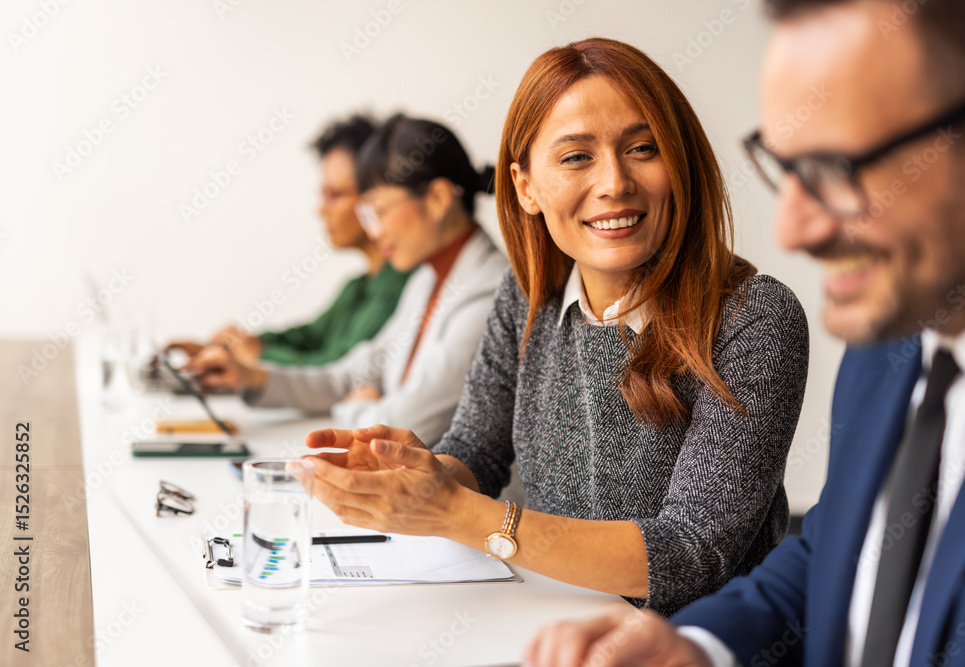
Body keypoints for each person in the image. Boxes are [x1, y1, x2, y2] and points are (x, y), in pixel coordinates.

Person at [522, 1, 965, 666]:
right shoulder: (889, 350)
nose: (795, 230)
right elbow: (833, 551)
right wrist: (698, 645)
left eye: (841, 164)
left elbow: (690, 548)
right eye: (790, 166)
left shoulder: (760, 318)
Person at [298, 38, 809, 615]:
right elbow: (476, 452)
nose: (615, 182)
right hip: (547, 624)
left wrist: (458, 512)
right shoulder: (529, 296)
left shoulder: (755, 318)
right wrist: (423, 475)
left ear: (680, 163)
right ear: (526, 187)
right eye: (576, 157)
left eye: (643, 148)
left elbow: (689, 556)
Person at [186, 114, 508, 444]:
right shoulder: (426, 281)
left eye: (379, 211)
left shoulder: (492, 294)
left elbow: (404, 428)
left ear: (438, 198)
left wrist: (357, 409)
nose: (374, 230)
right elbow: (351, 375)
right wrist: (252, 377)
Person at [169, 114, 412, 366]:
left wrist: (258, 354)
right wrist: (234, 348)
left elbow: (336, 373)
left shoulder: (400, 288)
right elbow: (309, 338)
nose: (320, 209)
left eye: (335, 194)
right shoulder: (357, 288)